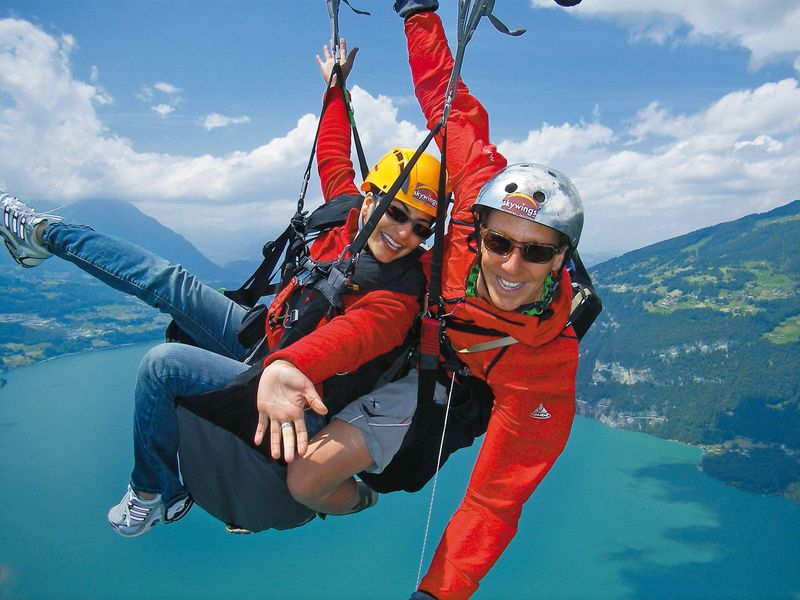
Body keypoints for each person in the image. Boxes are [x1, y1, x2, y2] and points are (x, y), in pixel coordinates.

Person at [0, 39, 445, 536]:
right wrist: (335, 91)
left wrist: (286, 368)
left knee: (162, 366)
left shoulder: (399, 295)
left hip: (300, 394)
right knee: (172, 282)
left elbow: (350, 339)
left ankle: (154, 493)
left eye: (421, 226)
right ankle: (44, 234)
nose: (404, 233)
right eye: (397, 211)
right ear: (370, 195)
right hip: (267, 342)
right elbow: (334, 151)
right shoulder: (343, 214)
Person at [263, 5, 585, 597]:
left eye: (537, 254)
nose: (513, 265)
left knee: (308, 474)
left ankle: (342, 496)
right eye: (499, 243)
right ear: (478, 229)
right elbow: (447, 98)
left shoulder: (546, 365)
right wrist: (417, 12)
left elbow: (494, 500)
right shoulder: (480, 193)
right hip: (399, 336)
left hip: (446, 387)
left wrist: (437, 593)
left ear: (563, 259)